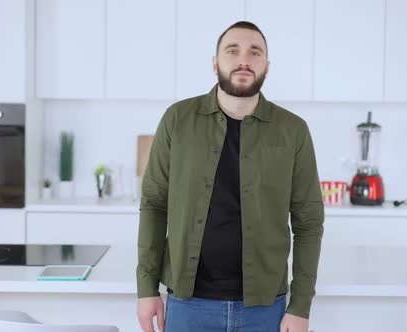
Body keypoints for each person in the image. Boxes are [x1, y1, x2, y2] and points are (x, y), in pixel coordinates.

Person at [136, 21, 324, 332]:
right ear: (215, 63)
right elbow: (154, 205)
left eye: (255, 52)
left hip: (267, 310)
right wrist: (146, 289)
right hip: (188, 306)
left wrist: (301, 306)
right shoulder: (177, 120)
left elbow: (308, 222)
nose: (244, 61)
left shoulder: (293, 131)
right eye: (232, 51)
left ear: (266, 65)